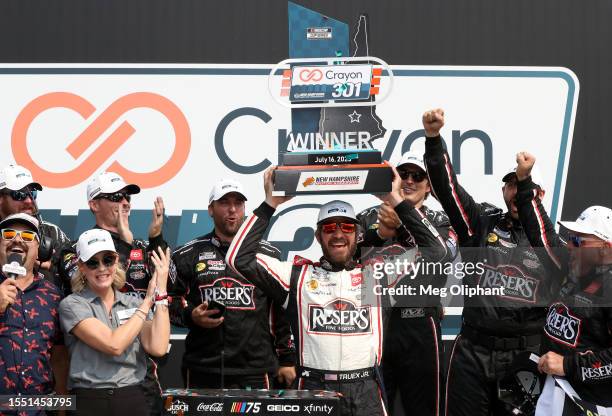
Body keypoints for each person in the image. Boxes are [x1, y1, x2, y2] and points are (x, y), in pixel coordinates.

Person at [225, 166, 449, 416]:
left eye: (347, 228)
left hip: (366, 390)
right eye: (330, 228)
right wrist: (270, 204)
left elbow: (437, 252)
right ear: (318, 236)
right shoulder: (297, 276)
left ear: (358, 234)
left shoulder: (376, 276)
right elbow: (237, 258)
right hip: (313, 387)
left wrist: (395, 200)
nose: (339, 235)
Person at [423, 109, 559, 416]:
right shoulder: (482, 225)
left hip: (526, 356)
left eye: (523, 186)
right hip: (473, 351)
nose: (515, 192)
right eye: (511, 185)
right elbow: (449, 192)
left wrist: (527, 191)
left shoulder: (551, 243)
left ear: (539, 193)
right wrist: (434, 141)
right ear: (502, 190)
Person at [56, 171, 167, 414]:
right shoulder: (73, 249)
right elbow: (101, 283)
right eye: (116, 197)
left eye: (127, 197)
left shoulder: (141, 246)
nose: (125, 202)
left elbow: (167, 281)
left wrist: (156, 239)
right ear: (94, 204)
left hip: (141, 373)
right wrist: (125, 245)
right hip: (93, 376)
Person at [168, 179, 296, 389]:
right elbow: (170, 302)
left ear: (245, 208)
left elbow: (280, 310)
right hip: (202, 367)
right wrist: (190, 315)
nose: (232, 210)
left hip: (255, 368)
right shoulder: (186, 254)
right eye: (224, 203)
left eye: (238, 203)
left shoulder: (268, 254)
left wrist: (287, 359)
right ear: (211, 209)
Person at [357, 151, 457, 416]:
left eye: (418, 176)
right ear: (394, 179)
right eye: (404, 174)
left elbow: (442, 254)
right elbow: (348, 258)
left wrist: (401, 225)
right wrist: (379, 234)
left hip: (420, 327)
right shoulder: (367, 216)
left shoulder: (441, 221)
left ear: (428, 186)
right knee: (374, 408)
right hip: (375, 325)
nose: (410, 180)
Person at [513, 152, 612, 409]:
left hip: (594, 403)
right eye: (570, 236)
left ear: (605, 249)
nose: (569, 244)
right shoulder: (570, 265)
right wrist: (524, 183)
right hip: (554, 392)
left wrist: (568, 365)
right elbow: (540, 232)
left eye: (579, 240)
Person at [0, 213, 68, 414]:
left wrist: (62, 409)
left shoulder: (54, 296)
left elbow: (59, 358)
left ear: (41, 249)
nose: (18, 240)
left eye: (28, 236)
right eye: (9, 234)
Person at [0, 164, 69, 285]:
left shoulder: (53, 232)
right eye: (19, 194)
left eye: (32, 193)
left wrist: (51, 266)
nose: (29, 201)